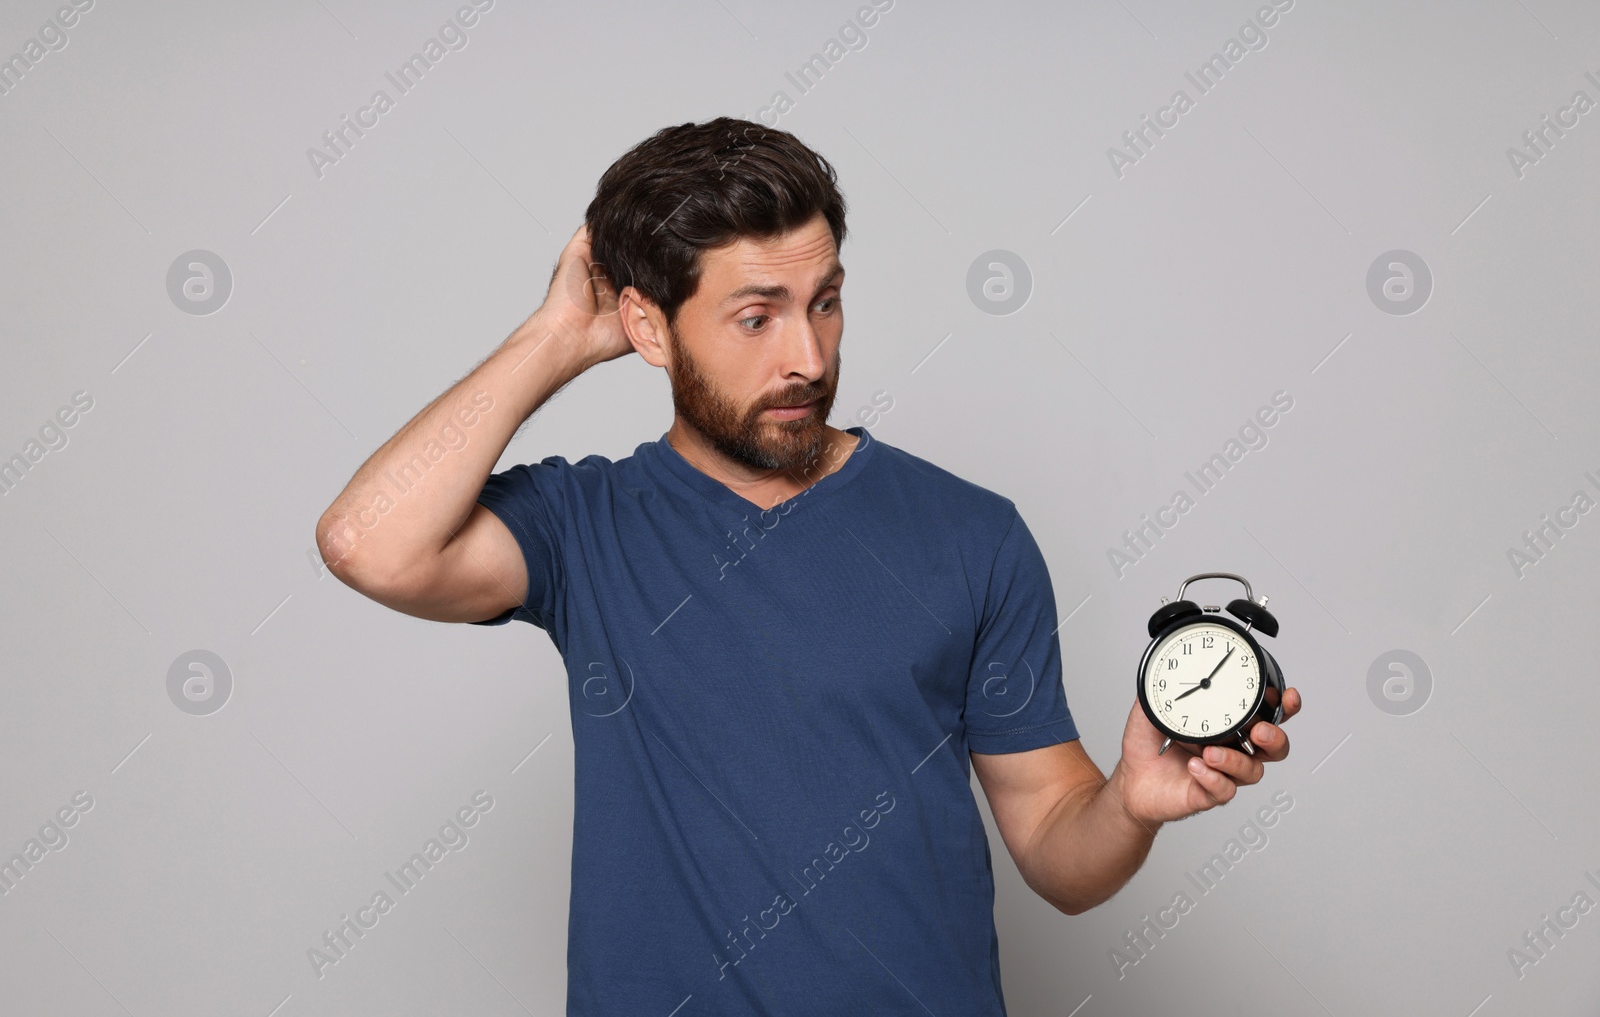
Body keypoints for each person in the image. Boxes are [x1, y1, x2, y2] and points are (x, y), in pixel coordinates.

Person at [315, 116, 1302, 1015]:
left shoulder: (970, 533)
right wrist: (552, 339)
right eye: (757, 316)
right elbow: (369, 542)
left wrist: (1129, 803)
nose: (807, 355)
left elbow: (1056, 842)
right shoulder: (584, 525)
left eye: (823, 303)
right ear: (648, 326)